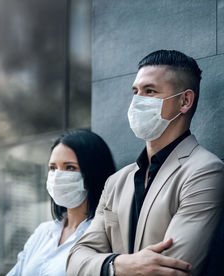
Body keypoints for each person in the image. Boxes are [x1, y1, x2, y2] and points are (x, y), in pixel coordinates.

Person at [66, 50, 224, 276]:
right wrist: (119, 265)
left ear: (185, 101)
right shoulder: (116, 181)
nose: (137, 101)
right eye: (135, 92)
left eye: (150, 91)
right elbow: (74, 260)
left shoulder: (205, 171)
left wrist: (101, 265)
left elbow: (172, 269)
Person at [7, 129, 115, 276]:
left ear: (92, 172)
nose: (57, 176)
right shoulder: (43, 232)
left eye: (70, 167)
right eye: (53, 168)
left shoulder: (104, 235)